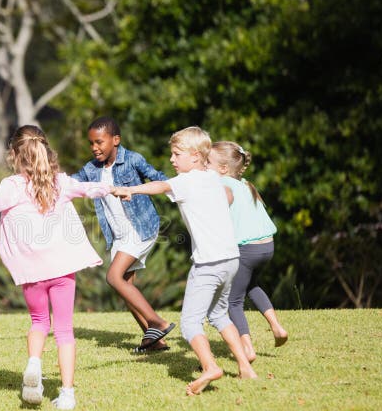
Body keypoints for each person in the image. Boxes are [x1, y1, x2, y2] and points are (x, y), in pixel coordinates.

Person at [0, 125, 112, 410]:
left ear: (14, 154)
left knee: (39, 322)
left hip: (32, 272)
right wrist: (118, 189)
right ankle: (67, 394)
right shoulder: (60, 182)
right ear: (46, 151)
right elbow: (91, 189)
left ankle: (34, 365)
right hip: (63, 269)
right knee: (64, 331)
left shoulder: (12, 186)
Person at [113, 126, 257, 395]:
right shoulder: (214, 178)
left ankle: (210, 367)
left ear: (194, 156)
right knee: (218, 313)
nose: (172, 160)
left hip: (209, 263)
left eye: (176, 154)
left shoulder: (186, 181)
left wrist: (131, 190)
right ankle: (245, 368)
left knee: (190, 323)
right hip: (231, 260)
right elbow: (228, 196)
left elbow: (161, 185)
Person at [72, 117, 175, 352]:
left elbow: (157, 176)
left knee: (113, 277)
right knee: (124, 286)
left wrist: (187, 188)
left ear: (115, 140)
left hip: (140, 228)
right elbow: (71, 182)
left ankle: (157, 322)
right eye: (91, 144)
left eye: (99, 142)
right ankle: (154, 339)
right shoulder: (91, 169)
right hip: (118, 235)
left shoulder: (132, 160)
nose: (94, 148)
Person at [207, 141, 288, 361]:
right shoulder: (244, 184)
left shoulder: (221, 185)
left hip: (247, 249)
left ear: (223, 168)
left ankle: (247, 349)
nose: (204, 166)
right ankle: (277, 327)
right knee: (252, 285)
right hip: (267, 246)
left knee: (233, 300)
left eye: (208, 162)